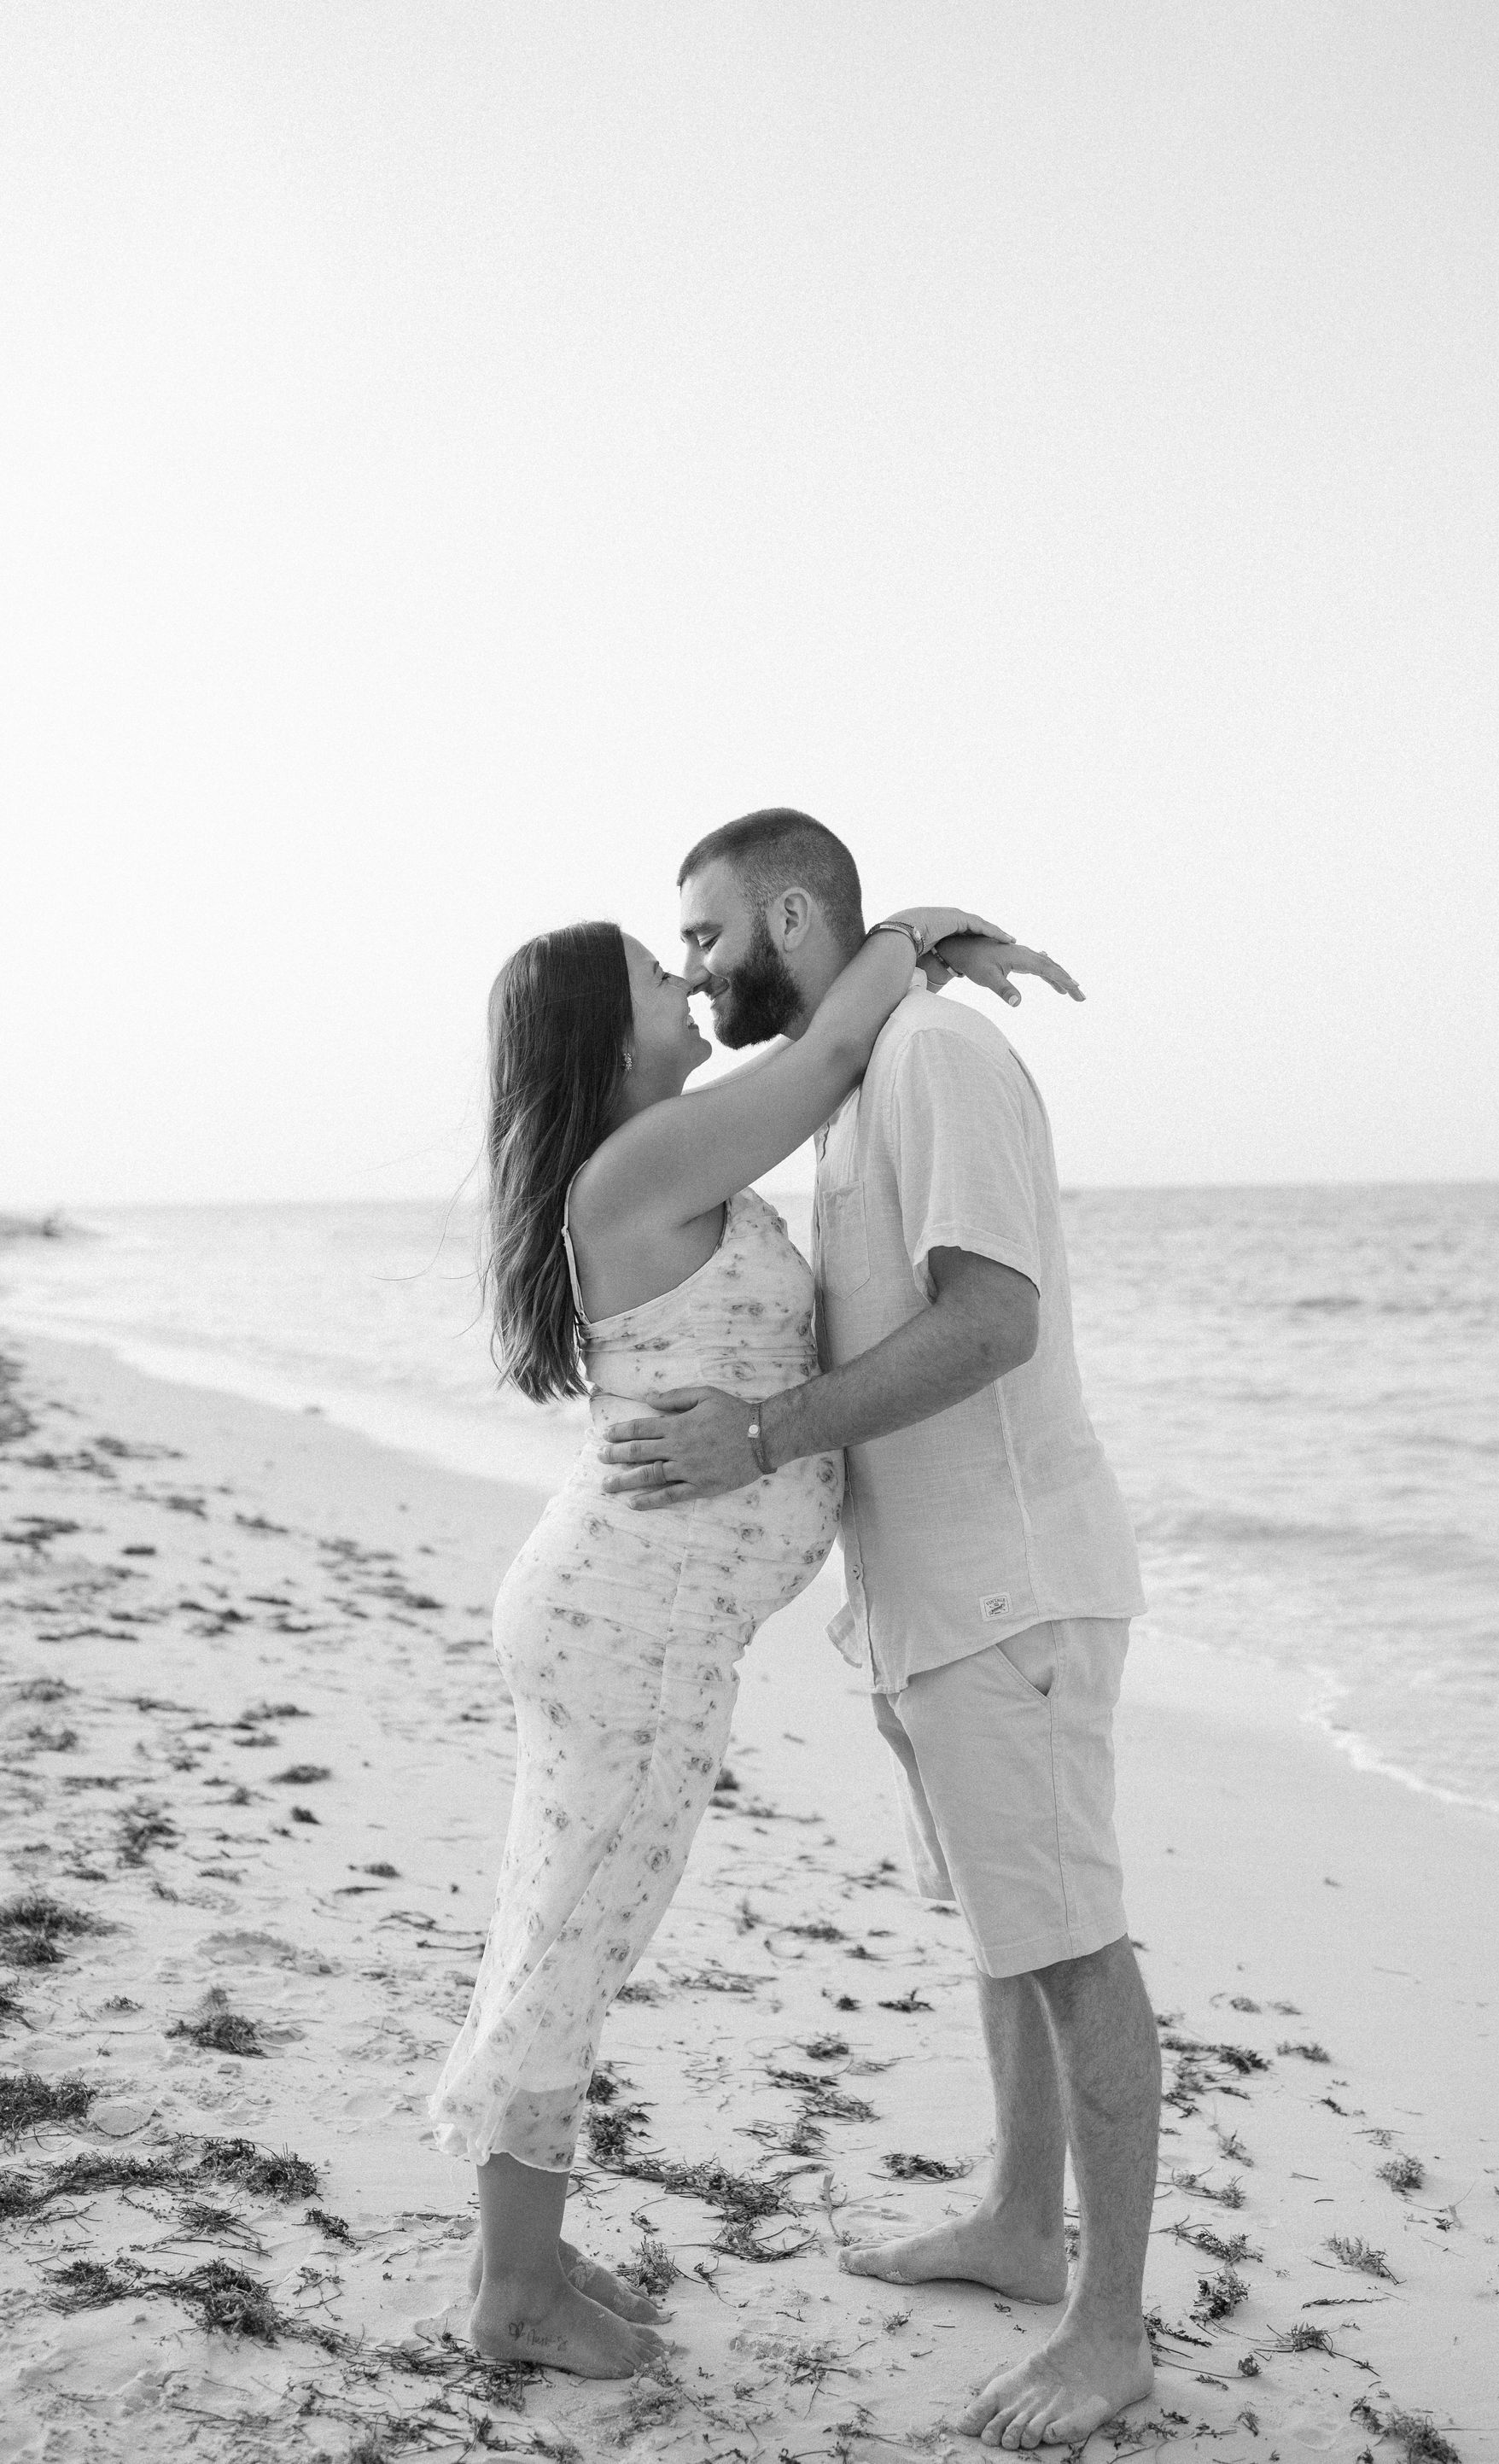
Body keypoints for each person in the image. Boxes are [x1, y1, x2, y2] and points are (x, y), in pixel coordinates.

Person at [428, 871, 1065, 2379]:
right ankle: (513, 2293)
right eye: (662, 973)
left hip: (634, 1620)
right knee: (573, 1939)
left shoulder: (640, 1164)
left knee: (562, 1924)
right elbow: (832, 1056)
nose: (691, 991)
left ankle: (517, 2248)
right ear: (606, 1036)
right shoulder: (639, 1159)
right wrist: (919, 929)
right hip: (633, 1629)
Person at [598, 808, 1159, 2449]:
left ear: (788, 911)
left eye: (704, 937)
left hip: (1013, 1589)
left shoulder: (936, 1066)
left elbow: (993, 1319)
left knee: (1069, 1940)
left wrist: (762, 1438)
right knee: (1004, 1925)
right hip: (920, 1602)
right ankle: (1011, 2218)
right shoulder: (856, 1081)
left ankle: (1108, 2325)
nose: (695, 976)